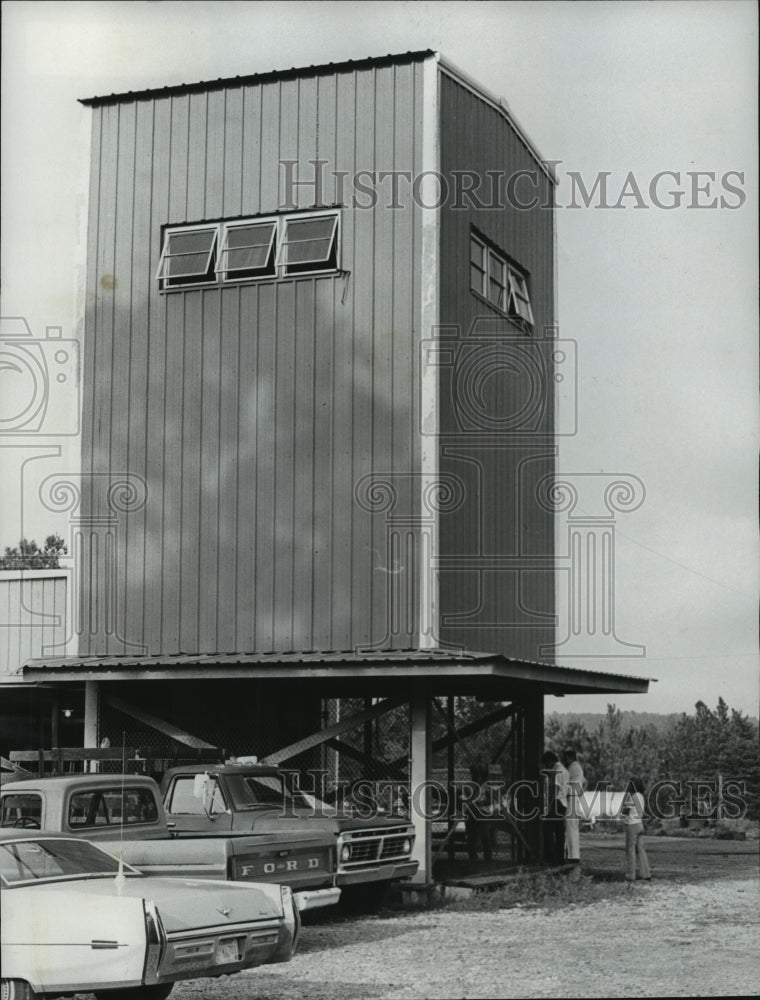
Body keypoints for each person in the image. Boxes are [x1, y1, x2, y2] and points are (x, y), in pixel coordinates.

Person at [540, 750, 568, 866]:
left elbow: (555, 789)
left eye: (546, 763)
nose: (546, 766)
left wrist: (549, 805)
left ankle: (552, 858)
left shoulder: (557, 770)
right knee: (559, 832)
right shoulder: (564, 770)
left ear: (549, 761)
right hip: (563, 803)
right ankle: (560, 858)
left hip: (556, 802)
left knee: (547, 830)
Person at [623, 777, 651, 881]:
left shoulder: (632, 796)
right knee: (640, 850)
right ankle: (646, 874)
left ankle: (631, 875)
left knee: (630, 850)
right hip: (639, 824)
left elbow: (625, 810)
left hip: (632, 824)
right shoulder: (641, 796)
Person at [562, 749, 586, 864]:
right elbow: (585, 782)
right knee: (571, 827)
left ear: (570, 758)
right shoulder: (578, 768)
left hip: (572, 798)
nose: (564, 760)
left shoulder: (573, 767)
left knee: (571, 827)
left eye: (565, 758)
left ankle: (573, 856)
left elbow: (565, 783)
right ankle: (571, 854)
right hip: (574, 798)